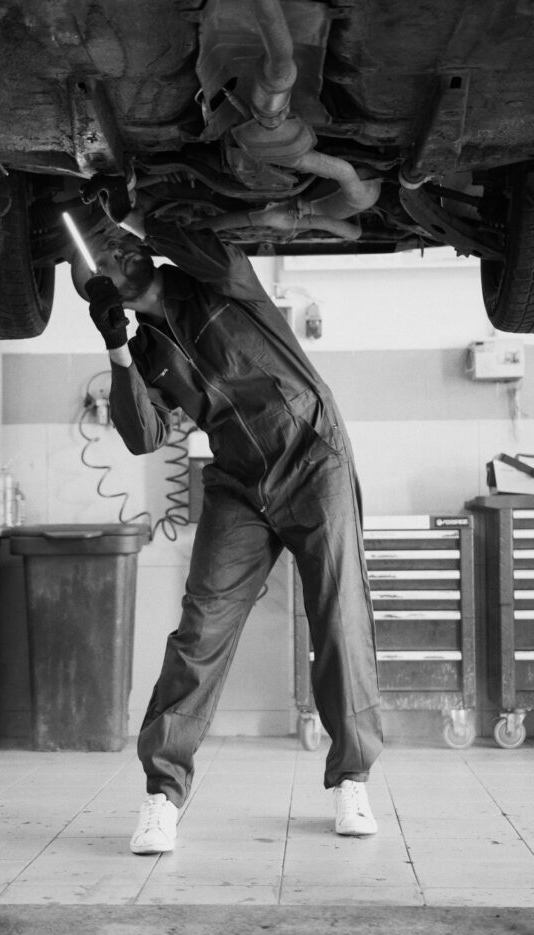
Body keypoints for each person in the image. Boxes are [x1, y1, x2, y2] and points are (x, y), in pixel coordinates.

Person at [73, 173, 383, 854]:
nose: (116, 255)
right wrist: (117, 347)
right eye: (99, 262)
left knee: (338, 614)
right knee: (201, 628)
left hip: (312, 454)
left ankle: (352, 779)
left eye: (120, 246)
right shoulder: (146, 353)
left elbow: (213, 251)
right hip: (240, 479)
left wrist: (135, 214)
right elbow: (145, 437)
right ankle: (161, 796)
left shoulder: (214, 281)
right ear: (93, 289)